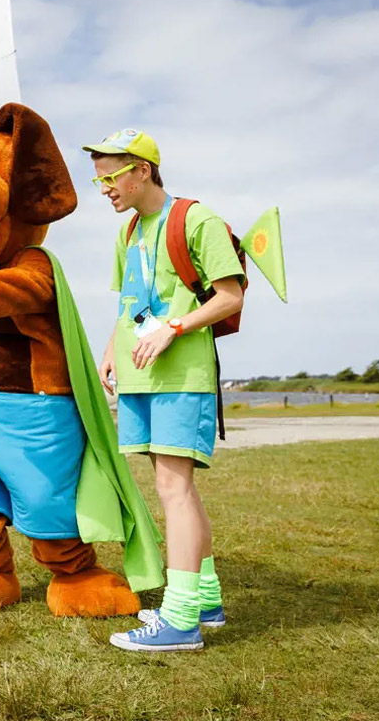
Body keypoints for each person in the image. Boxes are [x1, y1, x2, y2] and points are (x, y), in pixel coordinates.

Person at [83, 129, 244, 652]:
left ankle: (179, 620)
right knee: (177, 490)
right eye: (98, 180)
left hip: (181, 376)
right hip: (139, 376)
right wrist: (111, 350)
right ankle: (206, 600)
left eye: (110, 177)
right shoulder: (128, 232)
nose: (104, 188)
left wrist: (174, 328)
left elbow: (229, 296)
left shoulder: (195, 219)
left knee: (174, 491)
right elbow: (129, 303)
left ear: (143, 170)